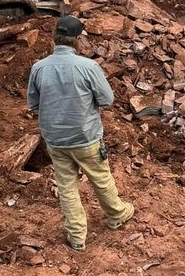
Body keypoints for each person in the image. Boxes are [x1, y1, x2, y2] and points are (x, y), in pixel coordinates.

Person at [27, 14, 134, 251]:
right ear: (77, 40)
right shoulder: (89, 67)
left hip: (55, 139)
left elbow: (33, 103)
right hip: (85, 137)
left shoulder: (38, 68)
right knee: (100, 177)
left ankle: (77, 237)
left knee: (66, 186)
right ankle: (116, 215)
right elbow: (107, 99)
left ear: (56, 38)